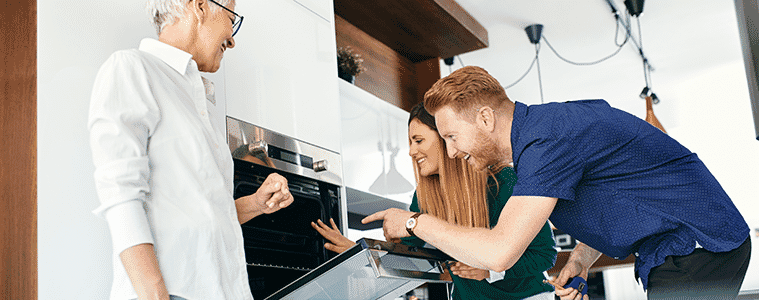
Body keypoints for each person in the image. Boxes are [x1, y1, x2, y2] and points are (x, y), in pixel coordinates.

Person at [363, 66, 751, 300]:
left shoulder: (547, 144)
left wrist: (414, 222)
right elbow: (614, 197)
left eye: (450, 136)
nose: (450, 153)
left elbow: (500, 253)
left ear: (484, 118)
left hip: (698, 247)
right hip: (688, 250)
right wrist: (581, 259)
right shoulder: (544, 136)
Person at [88, 1, 293, 299]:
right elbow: (120, 194)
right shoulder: (133, 68)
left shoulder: (197, 102)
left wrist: (256, 204)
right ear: (199, 6)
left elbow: (198, 214)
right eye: (230, 17)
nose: (232, 39)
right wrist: (155, 294)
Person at [312, 102, 557, 300]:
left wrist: (491, 270)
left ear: (444, 137)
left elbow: (545, 254)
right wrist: (360, 253)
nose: (410, 151)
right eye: (410, 142)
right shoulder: (423, 198)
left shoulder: (501, 181)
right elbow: (419, 259)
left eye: (418, 140)